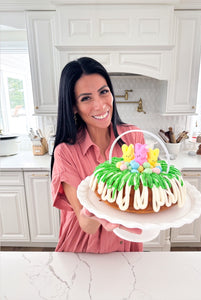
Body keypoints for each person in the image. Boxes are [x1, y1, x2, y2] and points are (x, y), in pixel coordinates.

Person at [51, 57, 145, 253]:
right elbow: (88, 225)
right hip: (82, 248)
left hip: (126, 244)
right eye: (86, 98)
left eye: (104, 92)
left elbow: (142, 193)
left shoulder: (134, 136)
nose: (100, 105)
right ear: (74, 106)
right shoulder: (65, 152)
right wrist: (109, 208)